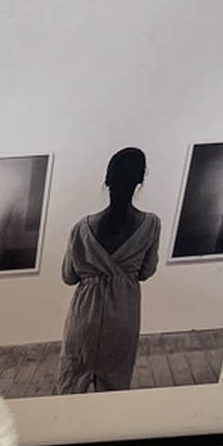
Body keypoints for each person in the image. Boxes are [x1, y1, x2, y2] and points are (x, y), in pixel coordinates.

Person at [55, 147, 161, 394]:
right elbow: (146, 271)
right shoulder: (151, 224)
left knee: (71, 386)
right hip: (123, 316)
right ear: (140, 181)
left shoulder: (81, 228)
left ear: (107, 180)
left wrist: (94, 271)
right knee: (115, 389)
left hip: (85, 317)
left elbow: (68, 276)